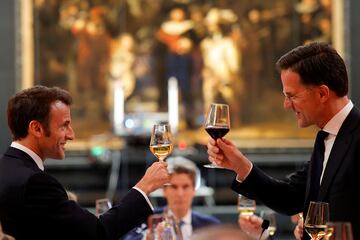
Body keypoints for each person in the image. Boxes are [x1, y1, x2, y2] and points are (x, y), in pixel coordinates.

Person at [206, 42, 360, 239]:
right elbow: (290, 198)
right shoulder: (326, 137)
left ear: (322, 93)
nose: (286, 105)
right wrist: (240, 166)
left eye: (291, 96)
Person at [0, 86, 169, 240]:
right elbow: (98, 233)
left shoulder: (6, 168)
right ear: (36, 128)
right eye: (64, 126)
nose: (71, 135)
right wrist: (145, 187)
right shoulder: (35, 183)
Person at [124, 157, 220, 240]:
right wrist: (147, 237)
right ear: (164, 190)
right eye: (174, 187)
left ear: (194, 190)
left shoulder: (211, 225)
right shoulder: (147, 219)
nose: (180, 194)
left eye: (185, 186)